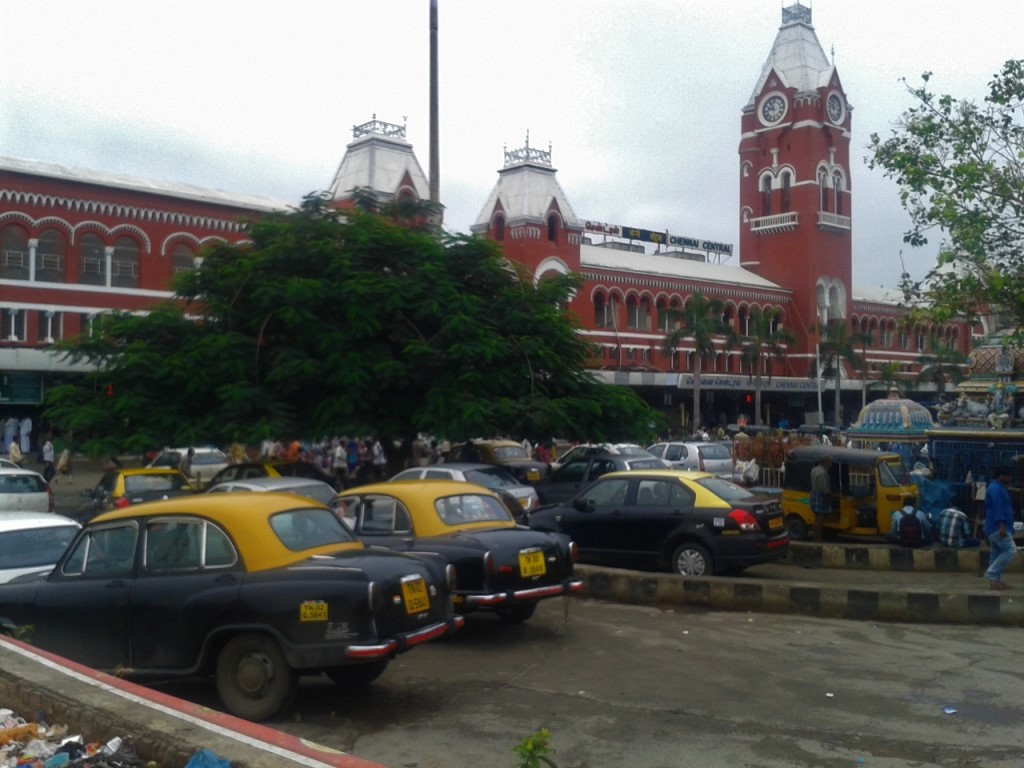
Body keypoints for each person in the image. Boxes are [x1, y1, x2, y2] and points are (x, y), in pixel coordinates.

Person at [983, 466, 1018, 590]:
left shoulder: (997, 488)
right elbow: (998, 508)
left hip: (994, 526)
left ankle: (995, 581)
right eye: (1009, 475)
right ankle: (992, 573)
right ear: (1001, 476)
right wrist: (1001, 526)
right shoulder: (996, 489)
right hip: (998, 527)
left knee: (996, 552)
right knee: (1011, 550)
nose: (1011, 478)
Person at [809, 455, 833, 542]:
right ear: (825, 463)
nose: (831, 465)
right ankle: (817, 540)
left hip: (814, 495)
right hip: (820, 497)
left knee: (817, 519)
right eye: (830, 463)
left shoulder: (814, 470)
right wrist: (834, 495)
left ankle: (816, 539)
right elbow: (824, 489)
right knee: (820, 520)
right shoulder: (822, 473)